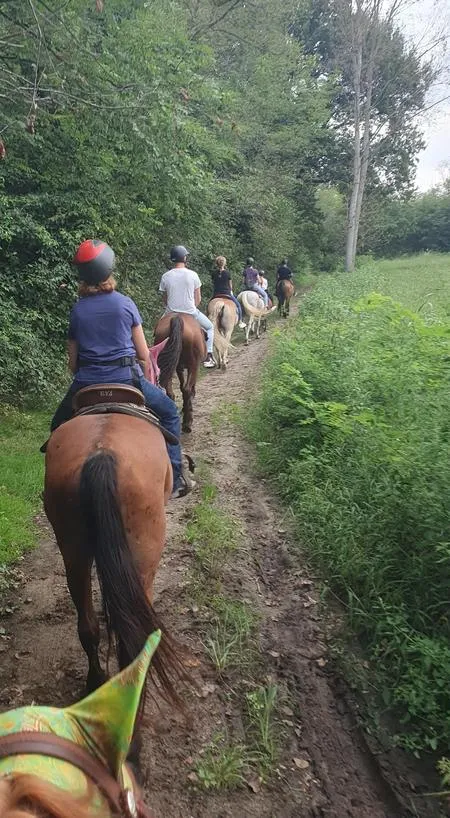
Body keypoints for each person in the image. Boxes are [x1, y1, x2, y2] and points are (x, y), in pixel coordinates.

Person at [49, 239, 193, 499]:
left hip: (86, 384)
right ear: (109, 269)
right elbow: (142, 353)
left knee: (56, 428)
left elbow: (73, 363)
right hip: (127, 380)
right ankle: (176, 478)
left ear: (82, 275)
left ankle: (54, 491)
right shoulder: (125, 303)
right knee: (170, 412)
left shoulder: (78, 311)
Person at [159, 245, 216, 368]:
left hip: (170, 312)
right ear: (184, 258)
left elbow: (165, 299)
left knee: (157, 330)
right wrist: (192, 307)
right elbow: (198, 298)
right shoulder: (193, 275)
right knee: (210, 327)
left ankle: (154, 357)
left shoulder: (165, 276)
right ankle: (209, 356)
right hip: (190, 311)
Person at [211, 255, 246, 329]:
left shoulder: (214, 273)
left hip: (216, 294)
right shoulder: (227, 273)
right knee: (238, 306)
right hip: (226, 293)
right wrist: (230, 291)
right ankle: (240, 321)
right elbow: (230, 286)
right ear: (224, 263)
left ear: (217, 263)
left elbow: (214, 283)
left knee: (209, 306)